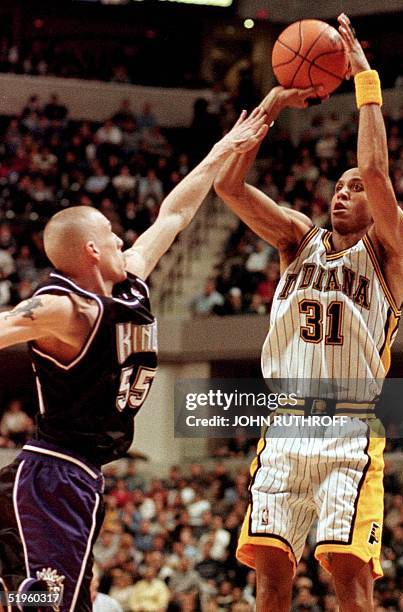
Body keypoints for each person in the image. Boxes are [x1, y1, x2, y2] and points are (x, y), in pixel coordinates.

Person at [0, 107, 268, 612]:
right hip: (51, 475)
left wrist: (223, 148)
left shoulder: (131, 284)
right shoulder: (65, 309)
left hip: (81, 474)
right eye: (111, 234)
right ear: (92, 250)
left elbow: (175, 213)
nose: (124, 238)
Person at [214, 14, 403, 612]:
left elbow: (375, 171)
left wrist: (365, 81)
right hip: (283, 426)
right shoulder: (297, 238)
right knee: (271, 581)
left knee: (350, 583)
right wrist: (273, 102)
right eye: (339, 185)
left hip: (348, 430)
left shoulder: (389, 249)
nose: (344, 190)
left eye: (354, 188)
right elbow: (228, 184)